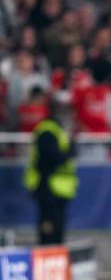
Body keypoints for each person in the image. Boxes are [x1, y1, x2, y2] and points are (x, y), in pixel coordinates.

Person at [23, 96, 78, 245]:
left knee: (57, 227)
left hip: (58, 188)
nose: (68, 115)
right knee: (49, 228)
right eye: (64, 110)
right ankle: (47, 257)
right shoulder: (47, 130)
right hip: (47, 185)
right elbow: (52, 156)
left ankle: (54, 258)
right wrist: (69, 152)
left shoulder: (59, 130)